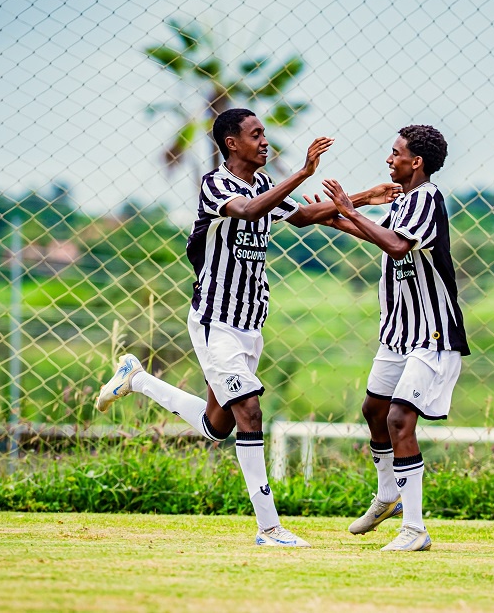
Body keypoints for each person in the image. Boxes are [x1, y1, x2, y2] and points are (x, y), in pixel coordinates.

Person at [95, 108, 400, 548]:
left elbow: (301, 215)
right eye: (256, 135)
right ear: (231, 143)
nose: (264, 141)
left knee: (216, 425)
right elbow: (249, 210)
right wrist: (303, 171)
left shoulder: (262, 185)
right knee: (250, 411)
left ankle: (137, 380)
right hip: (215, 321)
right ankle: (269, 528)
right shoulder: (217, 184)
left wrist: (364, 199)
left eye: (265, 134)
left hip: (249, 325)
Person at [319, 124, 469, 552]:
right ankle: (388, 496)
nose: (389, 159)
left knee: (400, 420)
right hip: (398, 333)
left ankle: (415, 530)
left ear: (416, 162)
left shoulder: (427, 198)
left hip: (432, 332)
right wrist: (340, 218)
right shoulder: (404, 201)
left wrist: (349, 209)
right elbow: (381, 235)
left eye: (395, 152)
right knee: (374, 411)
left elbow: (398, 247)